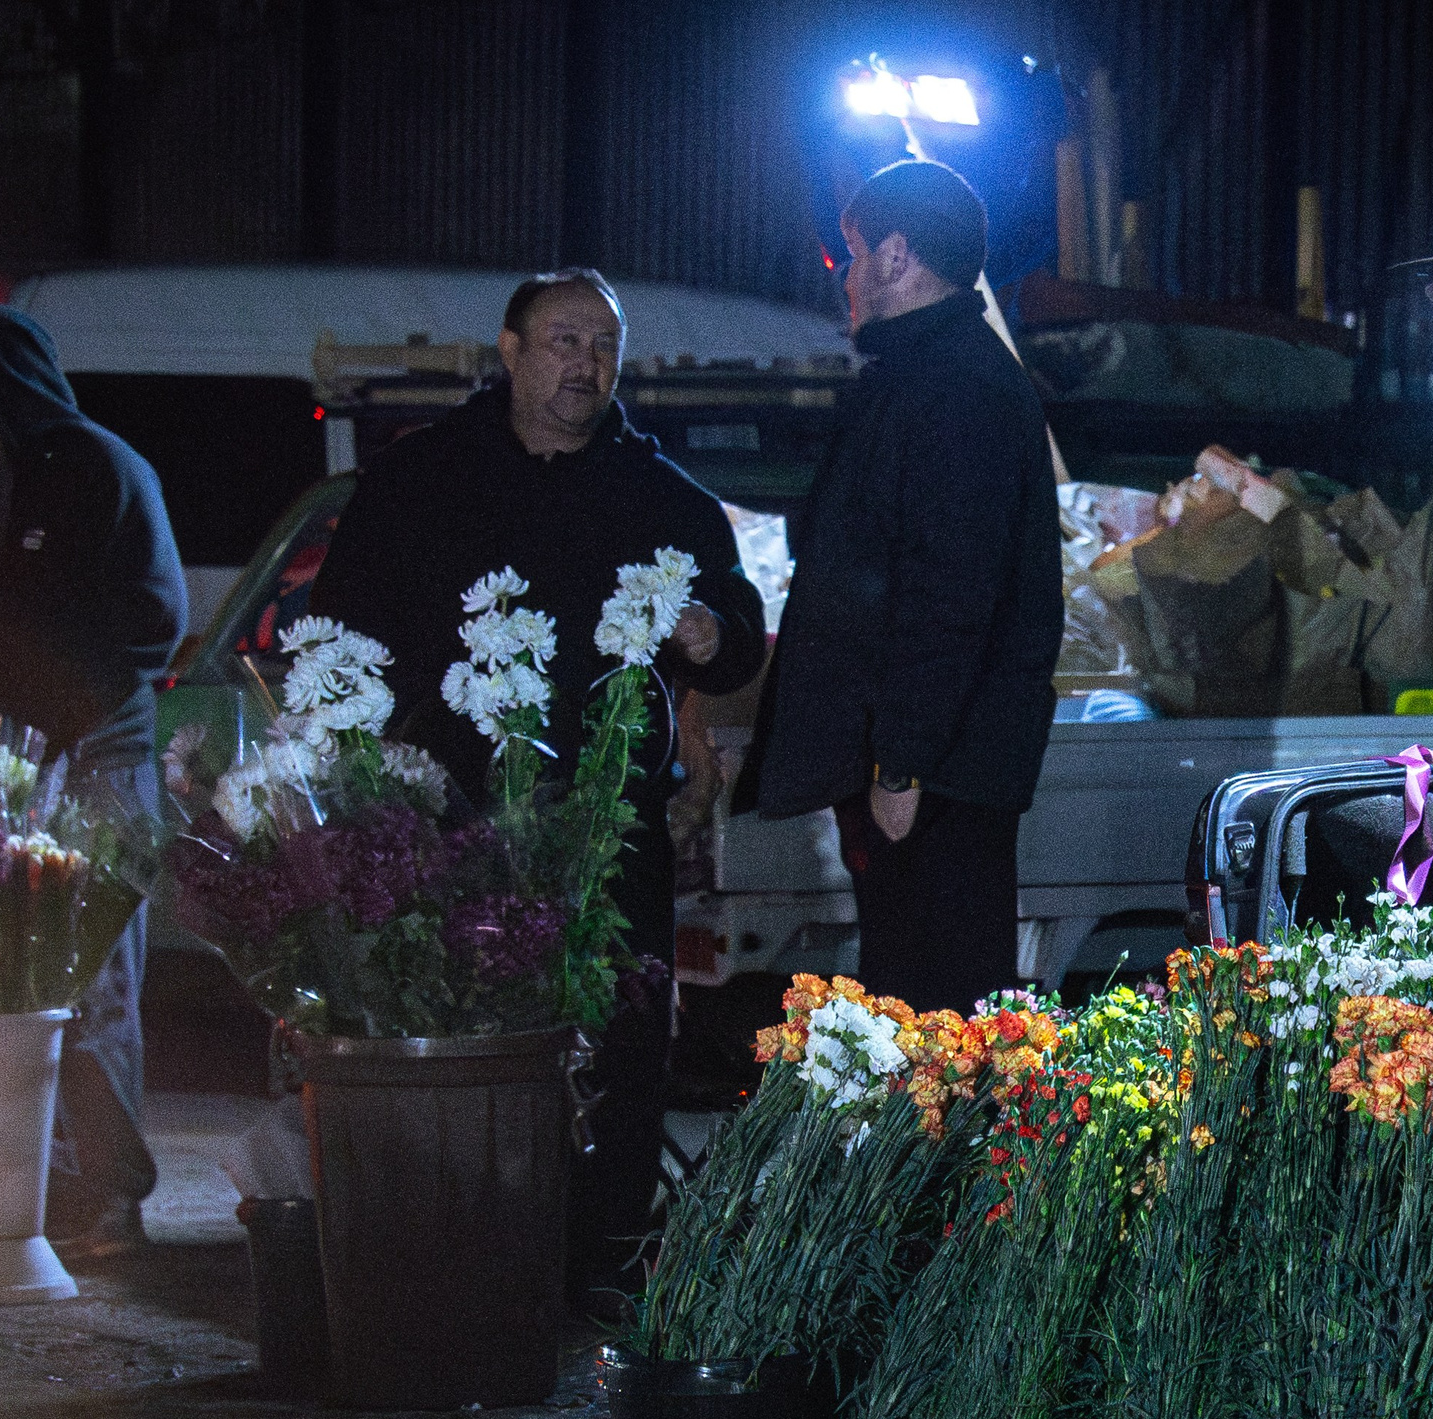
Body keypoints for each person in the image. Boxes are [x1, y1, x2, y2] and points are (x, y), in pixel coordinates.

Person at [308, 268, 764, 1303]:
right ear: (509, 351)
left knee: (621, 1038)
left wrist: (713, 633)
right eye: (564, 341)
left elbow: (735, 627)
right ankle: (458, 1248)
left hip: (610, 827)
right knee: (461, 1029)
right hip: (452, 818)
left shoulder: (662, 495)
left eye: (604, 346)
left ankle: (602, 1255)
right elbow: (342, 634)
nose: (585, 364)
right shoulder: (421, 479)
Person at [0, 304, 188, 1257]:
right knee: (15, 980)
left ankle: (112, 1200)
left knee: (96, 979)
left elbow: (154, 618)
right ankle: (50, 1192)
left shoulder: (101, 467)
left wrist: (66, 712)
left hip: (97, 754)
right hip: (14, 758)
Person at [747, 162, 1062, 1016]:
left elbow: (947, 596)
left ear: (894, 254)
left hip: (935, 781)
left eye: (854, 255)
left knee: (933, 1013)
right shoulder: (935, 374)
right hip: (931, 770)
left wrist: (900, 768)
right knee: (915, 1009)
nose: (848, 279)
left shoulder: (953, 385)